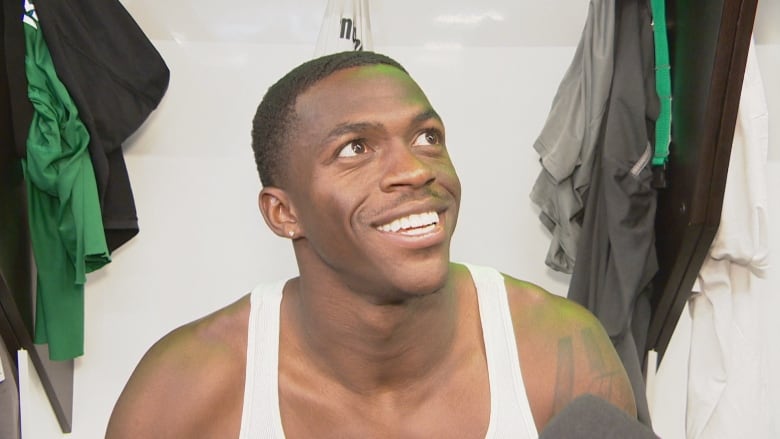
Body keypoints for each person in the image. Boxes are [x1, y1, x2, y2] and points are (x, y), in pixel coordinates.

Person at [105, 51, 637, 438]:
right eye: (355, 148)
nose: (413, 170)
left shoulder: (556, 348)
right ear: (284, 213)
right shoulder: (182, 392)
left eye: (427, 137)